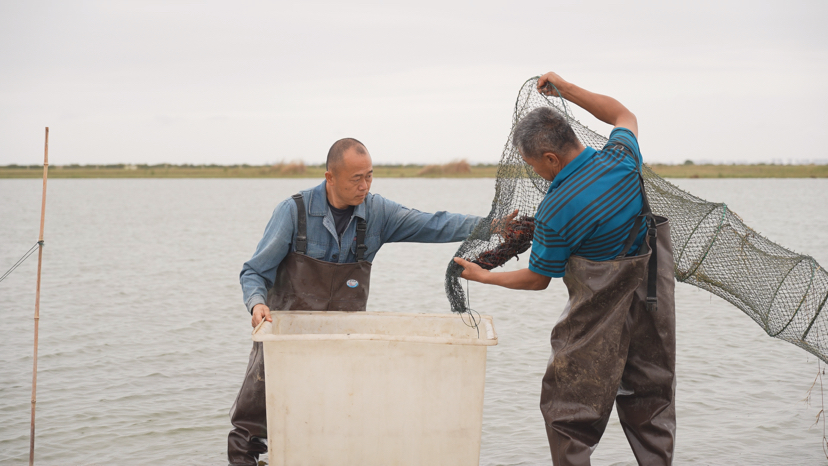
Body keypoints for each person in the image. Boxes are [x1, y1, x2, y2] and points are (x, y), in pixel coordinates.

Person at [454, 72, 677, 465]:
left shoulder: (555, 210)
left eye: (533, 165)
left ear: (551, 158)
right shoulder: (622, 158)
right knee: (651, 399)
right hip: (652, 301)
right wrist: (566, 89)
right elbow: (622, 114)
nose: (535, 173)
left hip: (598, 315)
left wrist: (485, 275)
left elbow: (537, 280)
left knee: (567, 413)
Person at [228, 137, 487, 466]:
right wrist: (257, 304)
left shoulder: (378, 212)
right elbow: (254, 271)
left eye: (369, 176)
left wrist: (490, 225)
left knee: (337, 422)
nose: (364, 186)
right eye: (356, 178)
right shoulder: (293, 212)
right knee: (252, 424)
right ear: (330, 177)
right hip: (285, 340)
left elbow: (434, 223)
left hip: (343, 346)